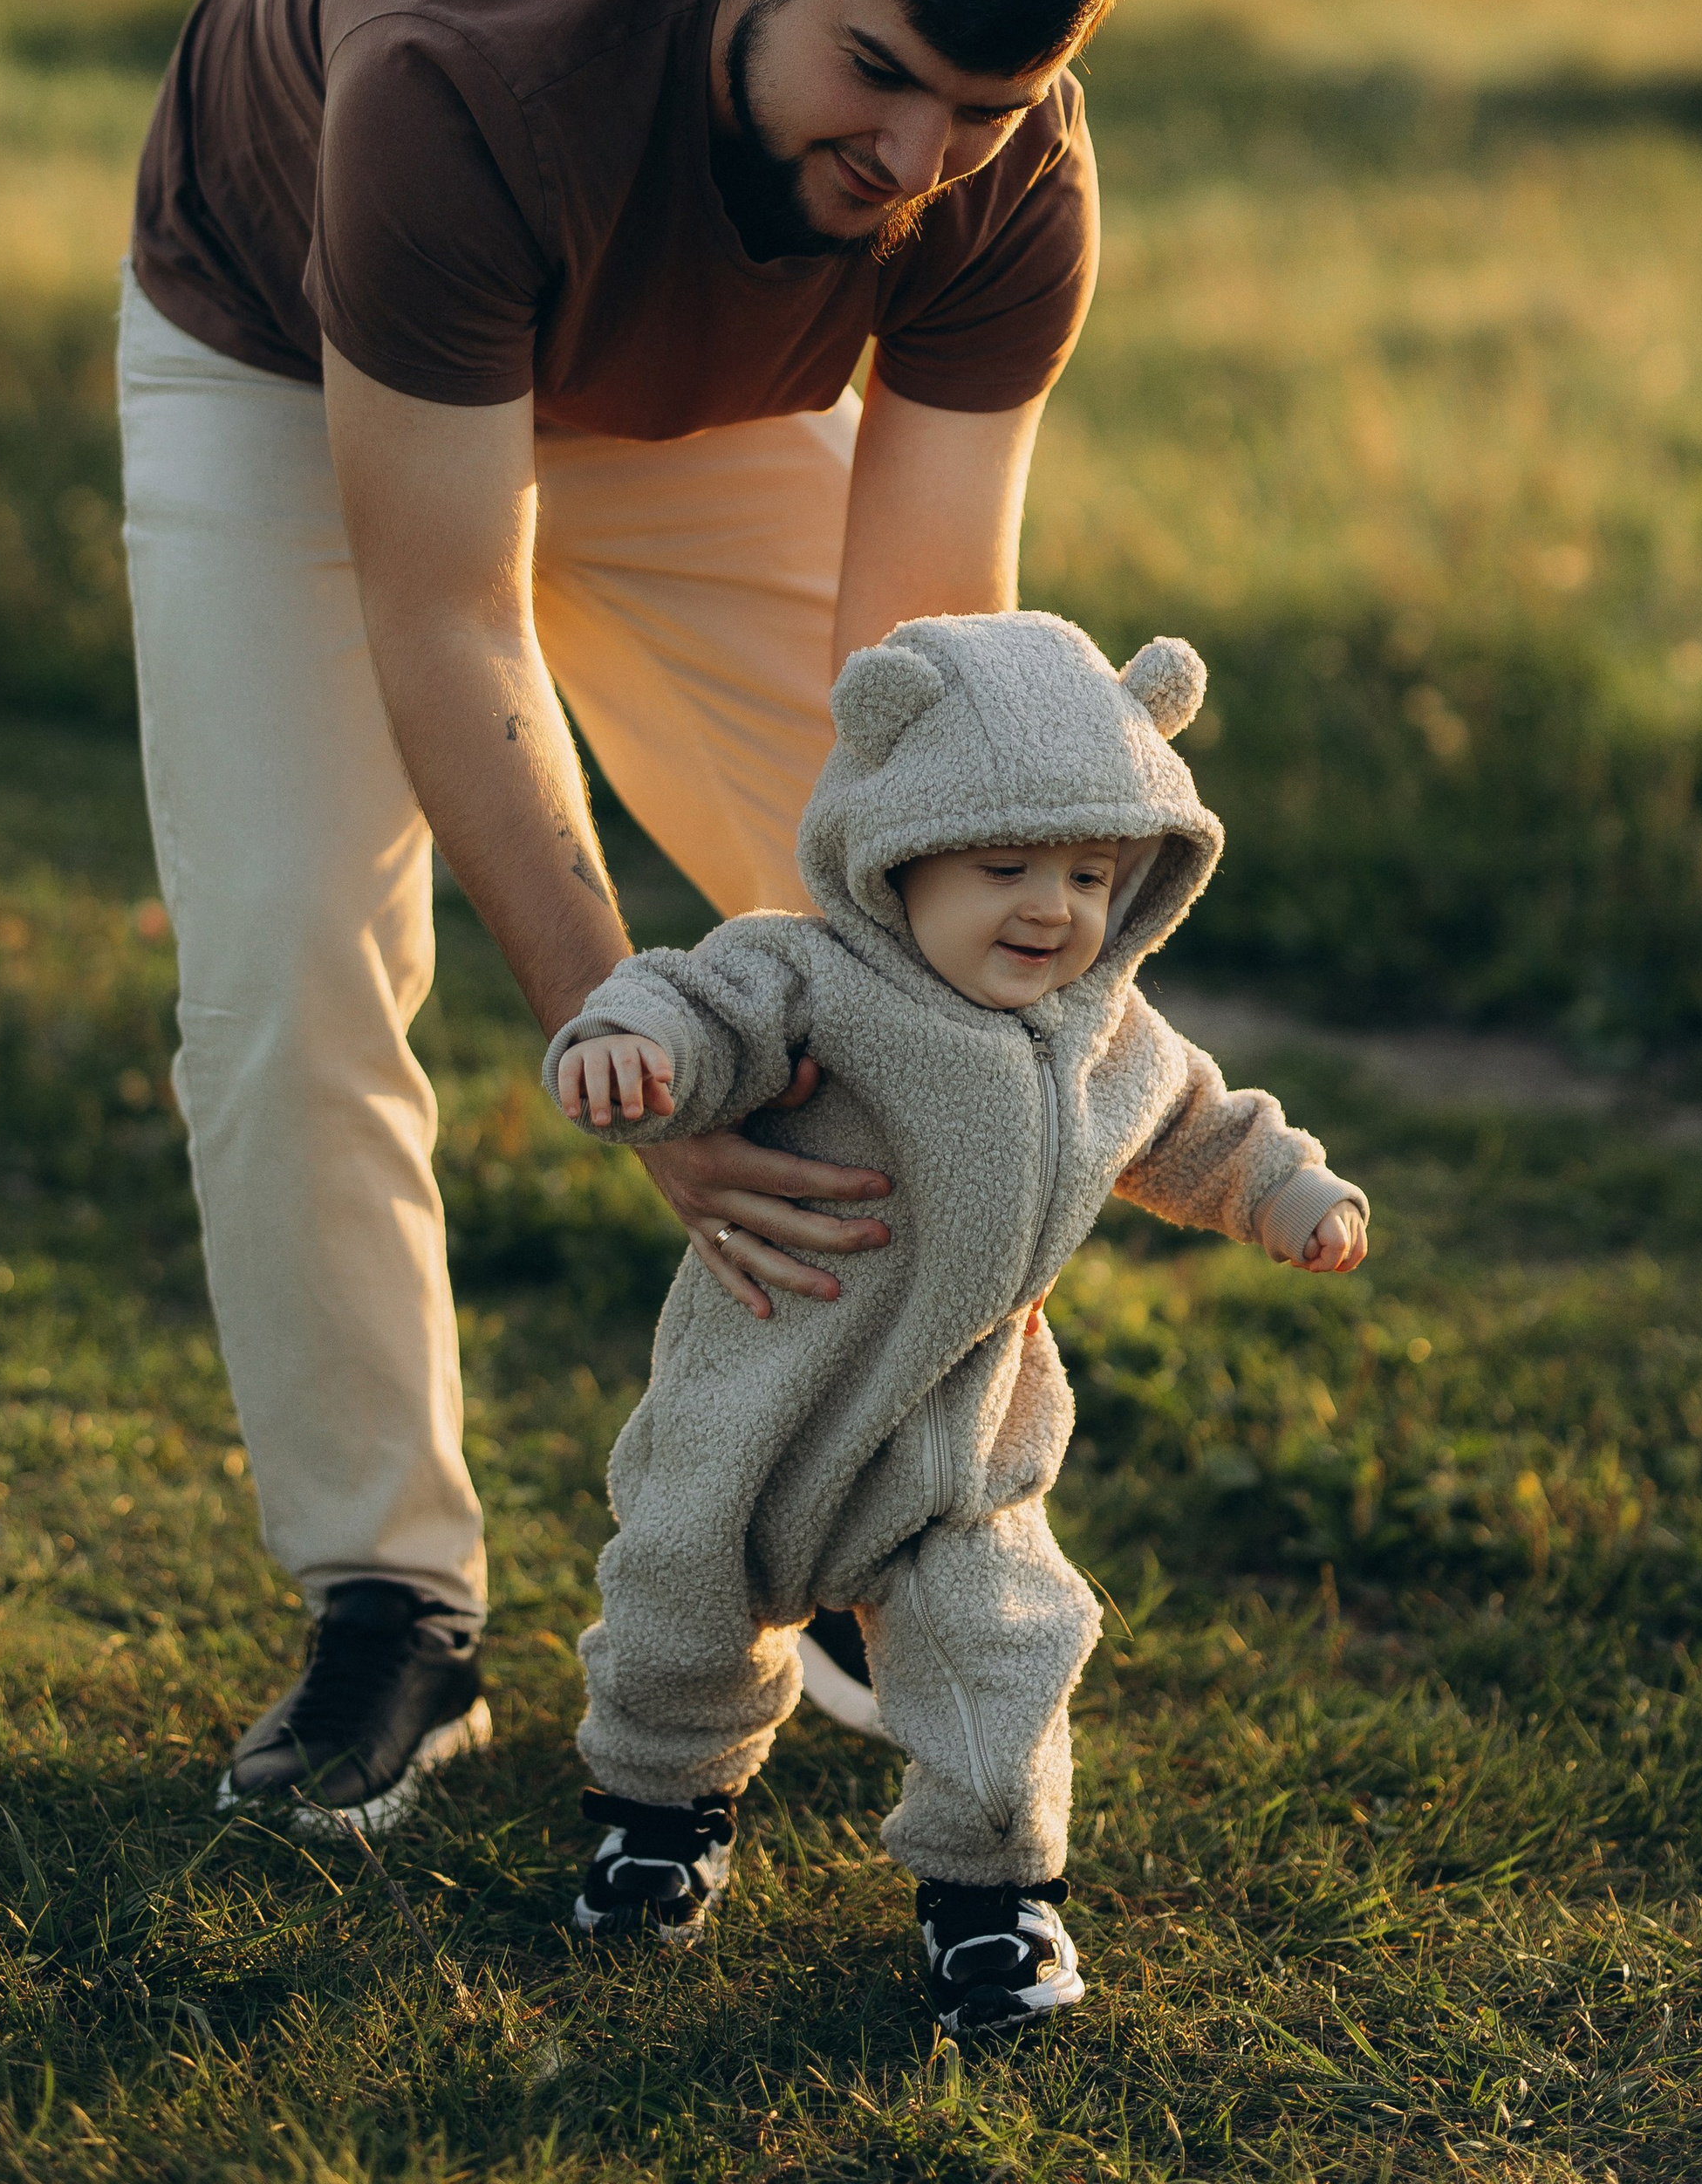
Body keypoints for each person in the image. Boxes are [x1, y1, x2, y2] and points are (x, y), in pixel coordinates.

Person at [119, 0, 1141, 1833]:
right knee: (294, 945)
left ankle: (869, 1512)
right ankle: (388, 1604)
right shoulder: (462, 72)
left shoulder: (991, 168)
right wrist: (635, 1043)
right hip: (298, 354)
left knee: (936, 943)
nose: (909, 163)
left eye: (978, 107)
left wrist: (920, 963)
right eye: (873, 77)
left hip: (681, 405)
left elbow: (918, 692)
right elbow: (447, 613)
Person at [543, 612, 1370, 2035]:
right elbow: (694, 1007)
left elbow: (1197, 1127)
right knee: (678, 1605)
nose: (1051, 906)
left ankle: (992, 1903)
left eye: (1092, 873)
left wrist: (1285, 1188)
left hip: (962, 1443)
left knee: (1004, 1651)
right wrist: (633, 1053)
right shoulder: (811, 976)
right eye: (1003, 868)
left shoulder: (1111, 1030)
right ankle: (659, 1817)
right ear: (899, 852)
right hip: (765, 1399)